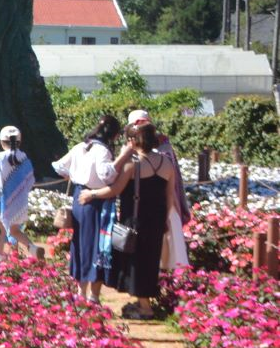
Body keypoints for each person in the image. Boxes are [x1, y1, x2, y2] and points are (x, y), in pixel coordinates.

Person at [101, 117, 176, 317]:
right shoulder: (167, 162)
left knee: (136, 261)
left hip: (134, 219)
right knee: (151, 260)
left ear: (134, 141)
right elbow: (170, 196)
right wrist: (166, 219)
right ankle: (143, 302)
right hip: (157, 219)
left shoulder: (132, 164)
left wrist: (90, 194)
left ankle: (145, 307)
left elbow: (115, 189)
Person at [59, 114, 122, 303]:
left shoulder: (81, 146)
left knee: (80, 245)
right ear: (114, 135)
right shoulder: (103, 151)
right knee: (98, 246)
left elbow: (60, 167)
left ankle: (81, 292)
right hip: (96, 201)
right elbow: (107, 175)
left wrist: (77, 175)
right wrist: (120, 160)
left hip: (79, 198)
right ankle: (93, 295)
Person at [128, 108, 191, 272]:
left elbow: (171, 177)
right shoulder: (135, 146)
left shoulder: (163, 145)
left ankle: (173, 275)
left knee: (171, 237)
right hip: (146, 201)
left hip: (163, 199)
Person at [0, 124, 37, 258]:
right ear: (19, 141)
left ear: (1, 142)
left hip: (0, 202)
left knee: (0, 232)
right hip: (19, 202)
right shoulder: (24, 159)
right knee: (15, 231)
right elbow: (30, 180)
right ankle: (33, 248)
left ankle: (1, 259)